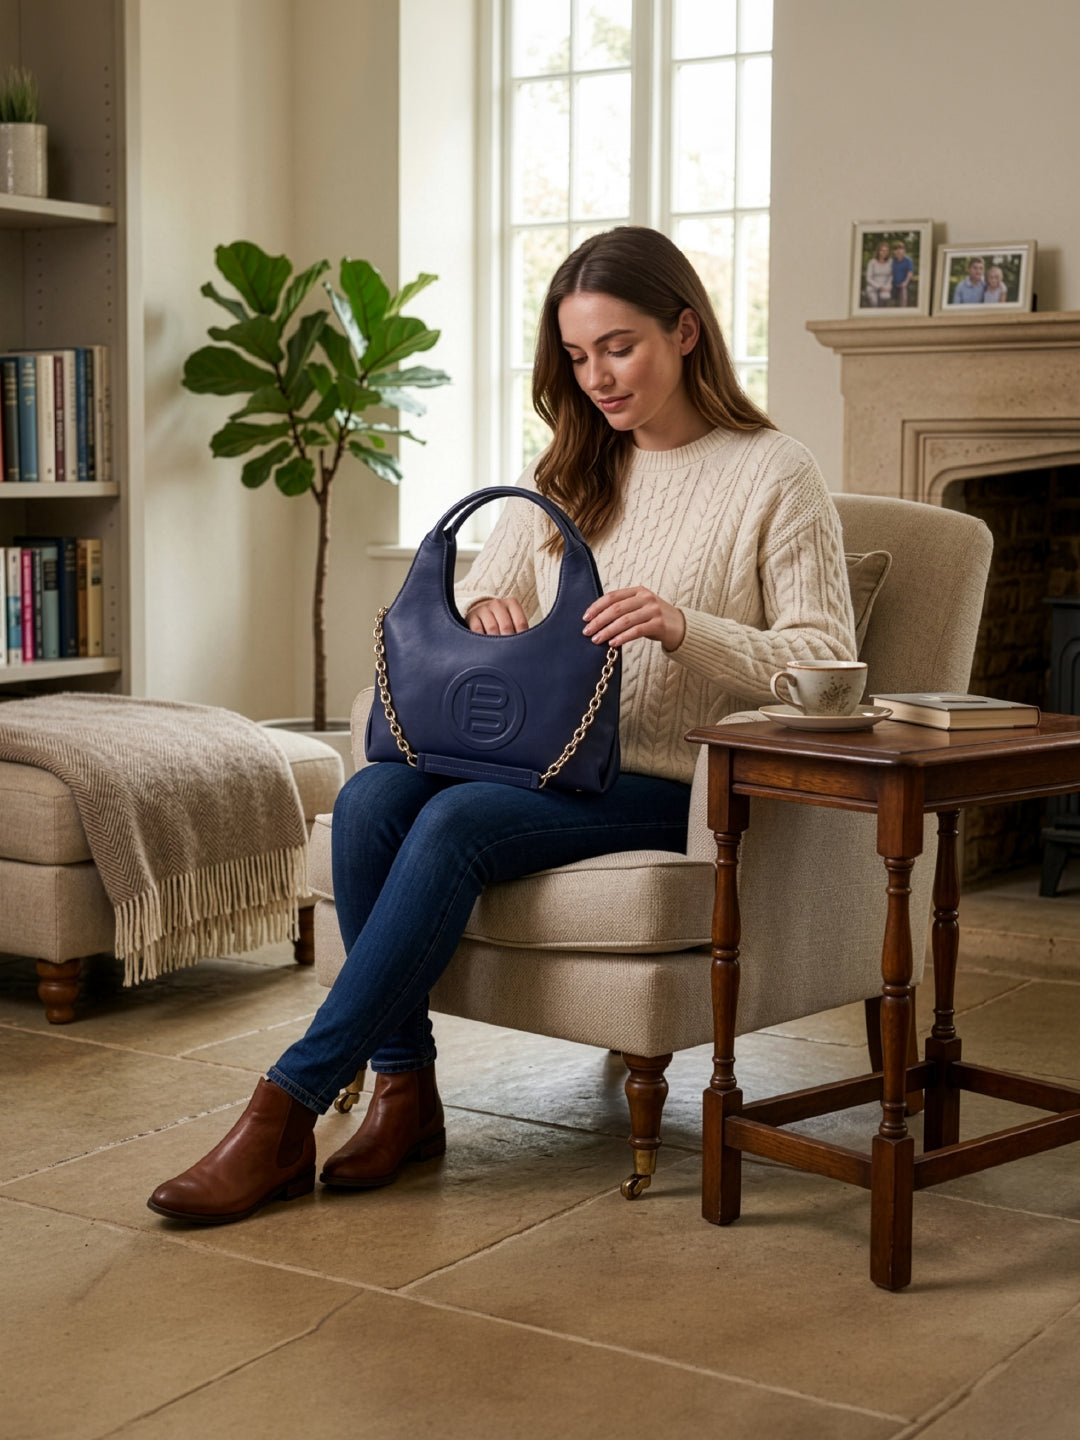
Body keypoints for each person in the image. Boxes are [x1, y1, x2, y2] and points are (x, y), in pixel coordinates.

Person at [147, 226, 857, 1225]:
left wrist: (685, 628)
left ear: (686, 329)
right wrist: (487, 614)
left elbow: (826, 663)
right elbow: (486, 598)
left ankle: (285, 1106)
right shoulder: (566, 465)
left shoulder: (774, 470)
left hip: (670, 786)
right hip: (538, 766)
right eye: (576, 355)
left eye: (619, 346)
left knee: (452, 824)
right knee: (372, 799)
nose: (597, 376)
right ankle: (405, 1095)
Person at [864, 240, 893, 307]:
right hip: (873, 287)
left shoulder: (890, 262)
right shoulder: (872, 262)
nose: (884, 253)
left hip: (886, 287)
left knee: (886, 300)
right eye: (882, 250)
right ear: (878, 251)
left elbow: (891, 276)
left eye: (886, 251)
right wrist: (879, 287)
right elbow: (868, 278)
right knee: (874, 302)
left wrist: (887, 286)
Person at [890, 240, 915, 307]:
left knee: (903, 292)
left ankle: (903, 308)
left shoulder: (908, 260)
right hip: (894, 284)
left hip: (905, 284)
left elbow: (910, 273)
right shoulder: (892, 261)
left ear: (904, 251)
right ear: (894, 252)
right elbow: (890, 273)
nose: (898, 251)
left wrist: (905, 283)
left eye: (900, 249)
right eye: (896, 249)